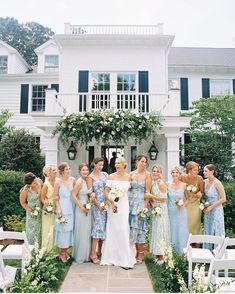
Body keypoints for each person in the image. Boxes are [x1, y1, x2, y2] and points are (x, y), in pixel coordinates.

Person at [101, 157, 136, 269]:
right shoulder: (111, 176)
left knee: (123, 228)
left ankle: (125, 257)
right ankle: (111, 256)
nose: (116, 165)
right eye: (116, 163)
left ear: (124, 164)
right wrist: (111, 201)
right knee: (113, 228)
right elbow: (106, 191)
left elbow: (131, 190)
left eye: (119, 163)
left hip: (124, 205)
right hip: (113, 206)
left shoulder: (129, 177)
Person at [129, 154, 152, 263]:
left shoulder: (148, 175)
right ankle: (133, 251)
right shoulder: (131, 174)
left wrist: (145, 206)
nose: (143, 163)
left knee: (140, 229)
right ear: (137, 162)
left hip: (141, 203)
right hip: (131, 204)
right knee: (132, 228)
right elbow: (128, 189)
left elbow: (147, 192)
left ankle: (141, 253)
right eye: (141, 161)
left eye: (145, 162)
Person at [87, 157, 108, 264]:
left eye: (102, 165)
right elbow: (90, 193)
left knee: (104, 228)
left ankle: (100, 251)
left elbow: (108, 188)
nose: (101, 167)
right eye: (99, 165)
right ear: (94, 164)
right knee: (97, 227)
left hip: (106, 205)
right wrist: (98, 205)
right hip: (97, 205)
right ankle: (93, 253)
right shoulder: (90, 177)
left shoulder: (105, 175)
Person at [54, 162, 75, 262]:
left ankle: (66, 252)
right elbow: (55, 197)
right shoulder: (58, 182)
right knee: (62, 230)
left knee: (69, 230)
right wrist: (58, 208)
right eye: (67, 169)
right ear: (62, 172)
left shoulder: (72, 180)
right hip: (62, 207)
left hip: (71, 207)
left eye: (69, 169)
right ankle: (62, 253)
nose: (69, 171)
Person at [149, 164, 170, 264]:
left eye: (157, 171)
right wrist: (152, 204)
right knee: (156, 231)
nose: (155, 173)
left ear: (160, 173)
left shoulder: (161, 183)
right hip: (156, 208)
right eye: (154, 171)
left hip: (162, 208)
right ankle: (157, 255)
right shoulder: (152, 182)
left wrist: (151, 196)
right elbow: (151, 199)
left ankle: (162, 256)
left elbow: (164, 198)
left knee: (161, 231)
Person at [71, 163, 92, 263]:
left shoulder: (87, 180)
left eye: (87, 170)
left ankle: (87, 255)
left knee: (87, 232)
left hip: (87, 207)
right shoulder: (79, 182)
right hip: (81, 208)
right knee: (82, 232)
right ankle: (80, 256)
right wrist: (82, 208)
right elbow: (73, 196)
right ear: (80, 171)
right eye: (83, 170)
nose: (85, 172)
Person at [203, 164, 226, 250]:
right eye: (204, 171)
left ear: (212, 171)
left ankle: (218, 254)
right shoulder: (205, 182)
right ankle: (207, 253)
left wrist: (211, 207)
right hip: (208, 211)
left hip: (216, 211)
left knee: (217, 231)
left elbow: (224, 199)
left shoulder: (217, 183)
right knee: (208, 231)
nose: (204, 172)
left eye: (206, 171)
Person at [167, 166, 188, 254]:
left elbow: (188, 198)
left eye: (176, 172)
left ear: (179, 174)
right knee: (171, 229)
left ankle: (182, 252)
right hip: (170, 211)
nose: (175, 174)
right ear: (171, 174)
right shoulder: (167, 184)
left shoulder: (184, 185)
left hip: (181, 211)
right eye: (173, 172)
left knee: (181, 230)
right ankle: (170, 251)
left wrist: (183, 205)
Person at [180, 161, 204, 236]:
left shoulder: (200, 179)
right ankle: (185, 242)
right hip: (185, 204)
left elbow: (203, 193)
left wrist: (200, 194)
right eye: (195, 170)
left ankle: (197, 243)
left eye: (197, 170)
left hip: (195, 205)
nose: (197, 172)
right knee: (185, 224)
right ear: (189, 170)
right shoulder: (182, 177)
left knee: (195, 225)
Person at [19, 172, 42, 246]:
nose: (36, 183)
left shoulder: (39, 182)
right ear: (29, 184)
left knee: (41, 231)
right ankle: (31, 251)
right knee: (32, 232)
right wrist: (31, 211)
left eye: (36, 181)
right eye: (34, 183)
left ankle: (41, 251)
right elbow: (23, 203)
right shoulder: (25, 190)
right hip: (32, 214)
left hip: (41, 211)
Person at [40, 165, 57, 251]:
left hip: (57, 209)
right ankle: (47, 251)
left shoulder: (58, 181)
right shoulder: (46, 184)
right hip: (48, 210)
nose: (56, 171)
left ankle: (56, 250)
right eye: (54, 170)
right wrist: (46, 204)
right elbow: (42, 198)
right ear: (49, 173)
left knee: (56, 229)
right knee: (48, 229)